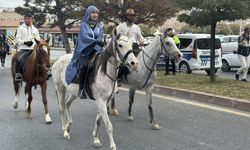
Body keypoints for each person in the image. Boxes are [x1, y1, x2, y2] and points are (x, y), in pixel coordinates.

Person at [65, 5, 104, 99]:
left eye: (96, 13)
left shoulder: (100, 26)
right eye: (93, 12)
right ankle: (81, 89)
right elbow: (85, 38)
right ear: (88, 14)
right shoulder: (83, 25)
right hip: (85, 50)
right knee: (84, 66)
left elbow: (99, 37)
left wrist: (99, 44)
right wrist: (95, 41)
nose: (95, 15)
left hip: (97, 50)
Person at [14, 13, 40, 81]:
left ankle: (46, 71)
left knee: (43, 56)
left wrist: (37, 44)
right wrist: (25, 42)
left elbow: (38, 40)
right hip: (23, 48)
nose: (29, 20)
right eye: (27, 18)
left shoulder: (35, 29)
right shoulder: (20, 28)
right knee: (18, 59)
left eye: (30, 18)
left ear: (32, 19)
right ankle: (18, 74)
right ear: (24, 19)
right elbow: (17, 39)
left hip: (33, 49)